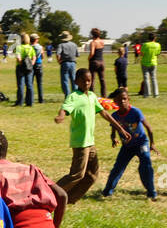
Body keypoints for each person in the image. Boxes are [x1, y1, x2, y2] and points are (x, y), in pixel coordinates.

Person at [54, 68, 130, 203]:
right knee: (77, 174)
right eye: (84, 80)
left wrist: (120, 128)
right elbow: (65, 108)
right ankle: (50, 193)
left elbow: (104, 113)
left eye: (89, 80)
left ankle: (70, 199)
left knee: (92, 176)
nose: (87, 83)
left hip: (90, 142)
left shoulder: (92, 96)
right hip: (80, 143)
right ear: (76, 81)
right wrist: (61, 116)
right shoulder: (74, 96)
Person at [99, 87, 157, 200]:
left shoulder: (135, 112)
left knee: (145, 164)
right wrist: (113, 138)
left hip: (141, 143)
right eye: (119, 100)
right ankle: (107, 191)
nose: (123, 102)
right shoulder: (115, 116)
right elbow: (113, 130)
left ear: (128, 99)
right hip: (127, 146)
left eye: (125, 99)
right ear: (115, 102)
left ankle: (151, 192)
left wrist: (152, 144)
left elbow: (149, 128)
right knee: (118, 168)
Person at [13, 33, 36, 106]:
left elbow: (18, 58)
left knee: (21, 85)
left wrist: (21, 63)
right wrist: (31, 64)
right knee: (29, 85)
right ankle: (30, 102)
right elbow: (34, 57)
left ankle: (20, 102)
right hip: (29, 68)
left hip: (20, 67)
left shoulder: (19, 47)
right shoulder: (30, 47)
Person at [55, 31, 79, 98]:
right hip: (73, 63)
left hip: (65, 63)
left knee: (65, 80)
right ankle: (75, 95)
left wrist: (59, 61)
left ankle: (67, 96)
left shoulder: (61, 45)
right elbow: (77, 55)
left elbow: (57, 54)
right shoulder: (74, 45)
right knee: (74, 80)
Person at [86, 28, 107, 97]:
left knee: (92, 80)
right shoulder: (102, 42)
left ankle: (91, 95)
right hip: (101, 61)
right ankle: (104, 95)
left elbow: (92, 53)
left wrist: (88, 58)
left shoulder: (93, 42)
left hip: (94, 61)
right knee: (102, 80)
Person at [31, 33, 45, 103]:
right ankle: (41, 99)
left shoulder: (29, 47)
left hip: (30, 65)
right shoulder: (40, 47)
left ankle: (31, 98)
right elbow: (43, 57)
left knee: (31, 83)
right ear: (36, 39)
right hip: (38, 64)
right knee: (39, 83)